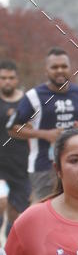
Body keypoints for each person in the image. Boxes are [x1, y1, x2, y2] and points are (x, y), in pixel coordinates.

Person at [7, 48, 78, 203]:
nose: (60, 70)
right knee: (45, 214)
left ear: (70, 68)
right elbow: (13, 128)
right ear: (46, 70)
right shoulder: (34, 96)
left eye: (64, 66)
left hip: (76, 166)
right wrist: (44, 134)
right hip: (43, 166)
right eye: (54, 67)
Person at [0, 59, 31, 232]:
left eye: (11, 78)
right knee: (1, 200)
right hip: (1, 166)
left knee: (18, 215)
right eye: (3, 78)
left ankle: (8, 249)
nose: (7, 81)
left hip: (22, 166)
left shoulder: (27, 102)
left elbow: (36, 128)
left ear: (17, 79)